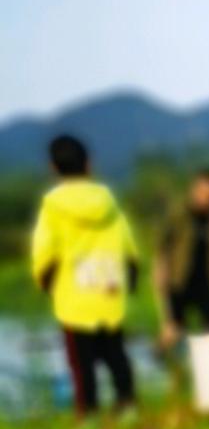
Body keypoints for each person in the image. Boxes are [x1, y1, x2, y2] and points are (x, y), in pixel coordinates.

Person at [30, 134, 140, 414]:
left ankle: (88, 426)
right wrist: (132, 280)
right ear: (89, 164)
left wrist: (46, 283)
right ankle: (128, 413)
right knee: (117, 360)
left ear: (54, 168)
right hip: (110, 294)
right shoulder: (108, 202)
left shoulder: (53, 206)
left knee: (83, 371)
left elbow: (44, 256)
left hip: (74, 302)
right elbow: (129, 250)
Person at [154, 166, 209, 348]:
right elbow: (162, 246)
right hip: (178, 280)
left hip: (204, 281)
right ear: (195, 190)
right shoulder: (179, 213)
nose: (208, 199)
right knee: (173, 331)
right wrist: (160, 274)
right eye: (204, 194)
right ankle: (159, 359)